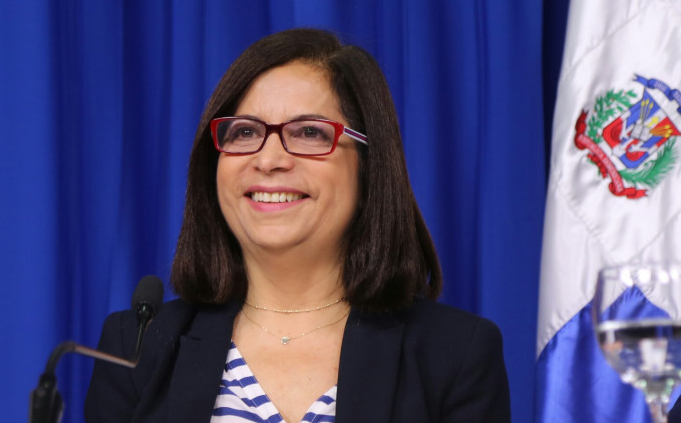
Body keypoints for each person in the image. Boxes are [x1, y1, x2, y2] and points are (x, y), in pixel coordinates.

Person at [85, 28, 511, 422]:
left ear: (370, 166)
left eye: (309, 132)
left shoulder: (457, 354)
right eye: (244, 132)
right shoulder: (136, 346)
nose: (269, 159)